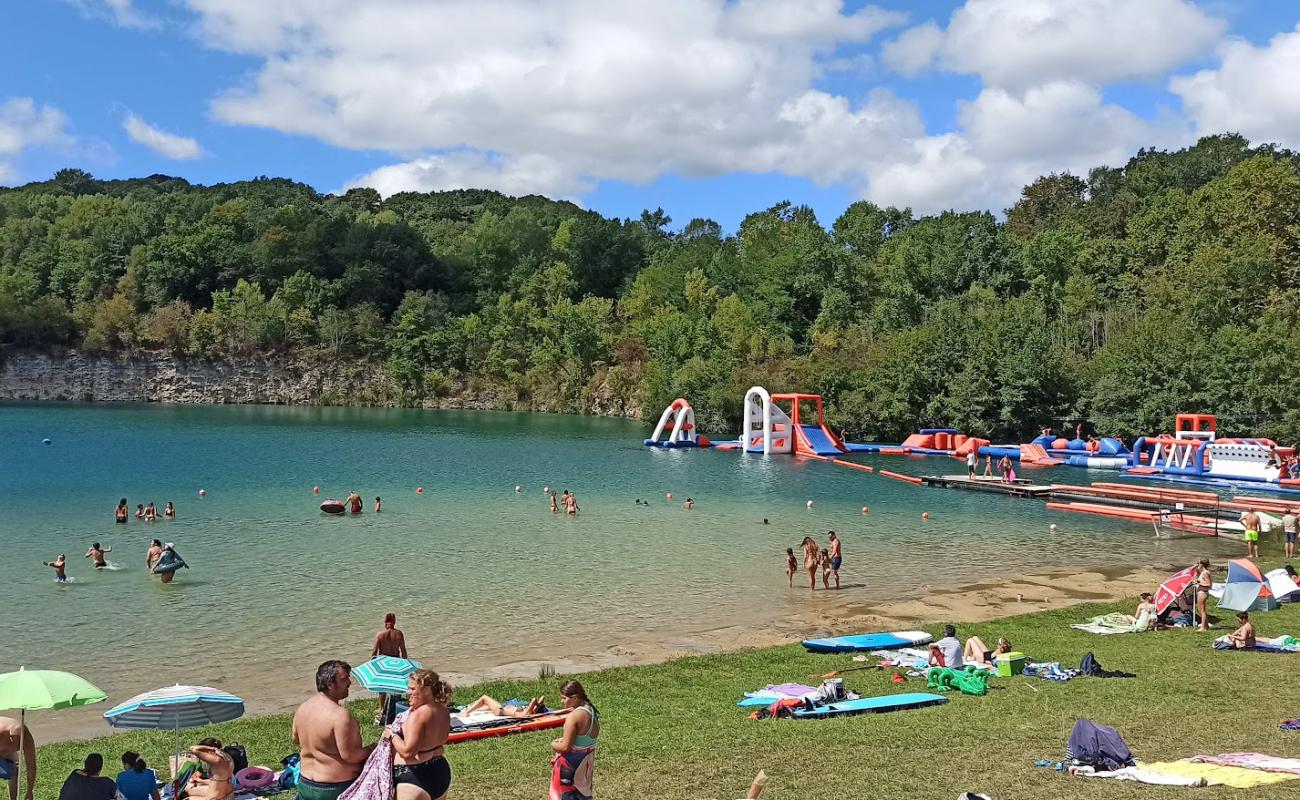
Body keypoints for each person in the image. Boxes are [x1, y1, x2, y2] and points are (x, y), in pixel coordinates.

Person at [292, 661, 372, 800]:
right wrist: (373, 748)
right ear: (330, 684)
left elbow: (295, 739)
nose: (349, 683)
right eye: (344, 679)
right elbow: (350, 756)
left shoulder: (303, 708)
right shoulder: (340, 716)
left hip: (305, 783)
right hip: (334, 788)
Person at [388, 669, 452, 800]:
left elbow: (407, 752)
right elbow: (443, 739)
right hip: (440, 771)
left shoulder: (418, 716)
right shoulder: (443, 710)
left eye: (412, 689)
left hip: (413, 776)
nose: (408, 692)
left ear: (427, 690)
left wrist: (392, 734)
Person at [550, 680, 598, 800]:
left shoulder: (574, 716)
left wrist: (554, 744)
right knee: (583, 795)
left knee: (564, 796)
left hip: (570, 766)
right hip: (586, 764)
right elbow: (582, 739)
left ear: (575, 697)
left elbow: (566, 747)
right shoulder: (591, 711)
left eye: (564, 698)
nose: (561, 701)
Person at [372, 613, 409, 723]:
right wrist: (405, 664)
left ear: (385, 622)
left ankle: (382, 708)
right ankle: (395, 706)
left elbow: (374, 652)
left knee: (382, 686)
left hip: (384, 662)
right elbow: (403, 650)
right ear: (394, 621)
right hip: (396, 662)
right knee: (396, 686)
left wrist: (372, 665)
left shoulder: (380, 635)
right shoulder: (399, 634)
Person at [0, 716, 36, 800]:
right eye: (13, 740)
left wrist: (29, 791)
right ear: (10, 735)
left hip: (5, 748)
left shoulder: (27, 739)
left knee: (14, 770)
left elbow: (31, 766)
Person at [461, 695, 547, 718]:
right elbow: (541, 698)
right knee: (486, 705)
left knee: (484, 698)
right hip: (502, 708)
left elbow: (534, 700)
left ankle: (467, 712)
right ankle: (472, 708)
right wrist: (539, 705)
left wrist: (537, 705)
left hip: (500, 710)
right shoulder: (530, 711)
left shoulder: (527, 712)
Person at [1195, 558, 1213, 631]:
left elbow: (1209, 584)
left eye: (1198, 563)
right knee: (1202, 610)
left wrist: (1198, 582)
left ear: (1201, 564)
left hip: (1203, 593)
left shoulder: (1205, 572)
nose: (1197, 565)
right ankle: (1206, 626)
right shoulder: (1204, 572)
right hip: (1201, 592)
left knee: (1201, 610)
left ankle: (1203, 627)